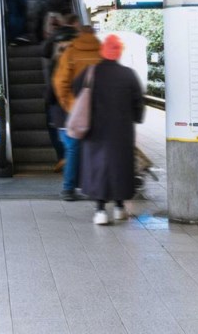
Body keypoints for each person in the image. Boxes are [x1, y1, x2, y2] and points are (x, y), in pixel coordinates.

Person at [72, 35, 144, 225]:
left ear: (102, 51)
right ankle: (120, 207)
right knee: (120, 168)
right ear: (119, 53)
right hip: (122, 131)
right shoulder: (128, 74)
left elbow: (75, 89)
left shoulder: (91, 72)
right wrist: (135, 117)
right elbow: (138, 103)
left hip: (95, 130)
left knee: (99, 168)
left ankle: (100, 210)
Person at [52, 23, 102, 201]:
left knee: (73, 149)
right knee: (96, 148)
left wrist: (71, 105)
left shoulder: (70, 53)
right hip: (98, 110)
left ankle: (68, 188)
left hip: (74, 111)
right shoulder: (102, 52)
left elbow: (60, 83)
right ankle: (95, 186)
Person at [41, 14, 80, 172]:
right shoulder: (79, 52)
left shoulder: (57, 59)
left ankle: (66, 160)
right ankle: (71, 161)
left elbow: (55, 84)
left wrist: (49, 99)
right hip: (75, 103)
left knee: (62, 135)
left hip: (60, 104)